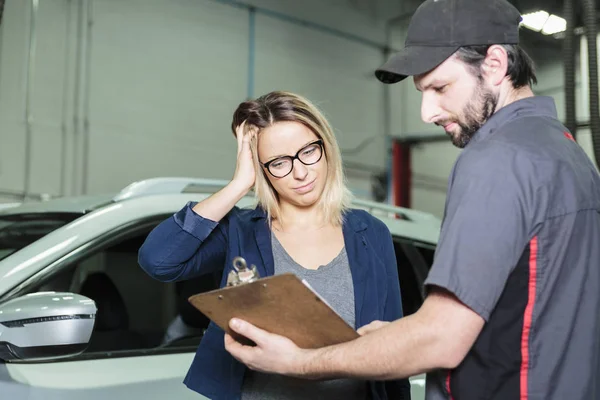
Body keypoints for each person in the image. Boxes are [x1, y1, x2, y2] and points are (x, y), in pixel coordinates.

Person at [222, 1, 600, 399]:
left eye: (440, 87)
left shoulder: (496, 158)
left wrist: (296, 363)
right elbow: (533, 312)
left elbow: (441, 338)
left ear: (494, 64)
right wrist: (400, 335)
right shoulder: (569, 155)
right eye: (422, 91)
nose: (426, 112)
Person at [138, 90, 412, 399]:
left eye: (308, 151)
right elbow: (158, 260)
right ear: (262, 170)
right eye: (279, 162)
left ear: (326, 146)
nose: (300, 171)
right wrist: (239, 184)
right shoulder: (241, 231)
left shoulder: (370, 232)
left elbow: (392, 344)